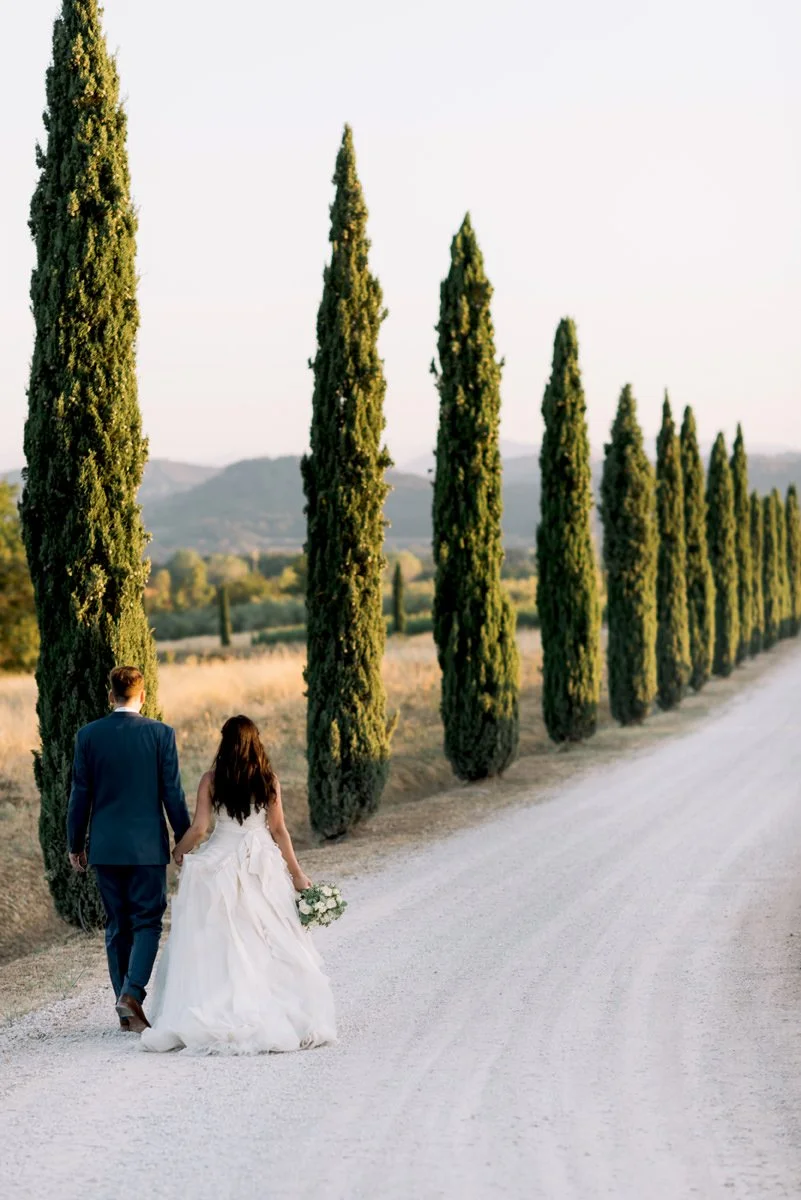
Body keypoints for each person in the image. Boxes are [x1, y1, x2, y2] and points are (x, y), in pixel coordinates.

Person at [141, 715, 336, 1054]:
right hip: (261, 863)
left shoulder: (212, 780)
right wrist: (296, 873)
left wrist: (180, 851)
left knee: (218, 938)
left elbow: (200, 828)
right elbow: (278, 831)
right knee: (267, 934)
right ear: (256, 741)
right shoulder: (268, 780)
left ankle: (220, 1002)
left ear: (224, 742)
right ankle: (275, 1005)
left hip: (220, 862)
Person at [67, 665, 191, 1033]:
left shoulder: (88, 736)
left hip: (105, 848)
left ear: (110, 696)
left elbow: (80, 796)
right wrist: (183, 839)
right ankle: (131, 993)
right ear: (144, 695)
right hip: (147, 849)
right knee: (148, 921)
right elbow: (172, 793)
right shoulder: (160, 734)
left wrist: (75, 844)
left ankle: (125, 1002)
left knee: (117, 924)